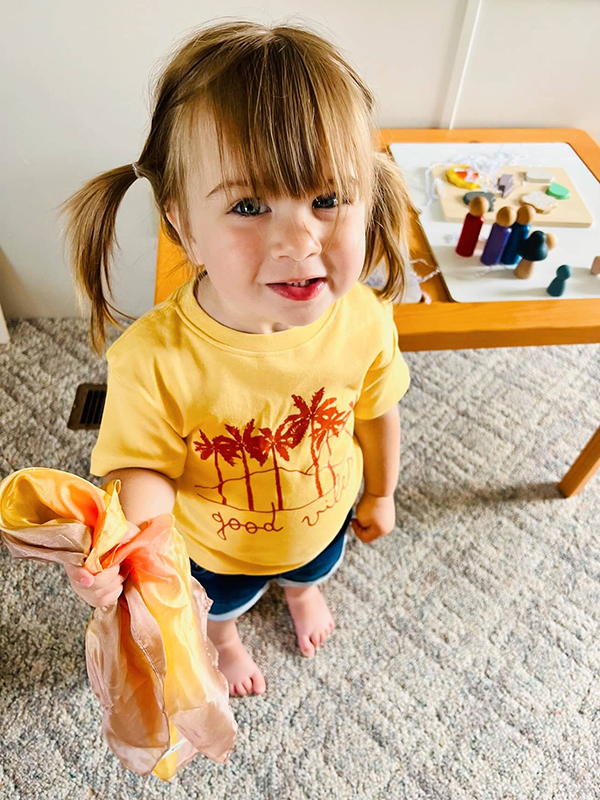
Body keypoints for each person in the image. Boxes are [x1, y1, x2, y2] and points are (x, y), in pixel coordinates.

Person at [58, 19, 412, 697]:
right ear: (183, 225)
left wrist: (384, 492)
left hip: (323, 512)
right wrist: (127, 548)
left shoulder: (365, 318)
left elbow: (377, 413)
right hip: (216, 550)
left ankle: (301, 591)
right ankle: (226, 639)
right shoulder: (154, 359)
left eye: (328, 198)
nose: (299, 238)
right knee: (218, 612)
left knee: (312, 567)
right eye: (250, 204)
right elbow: (143, 472)